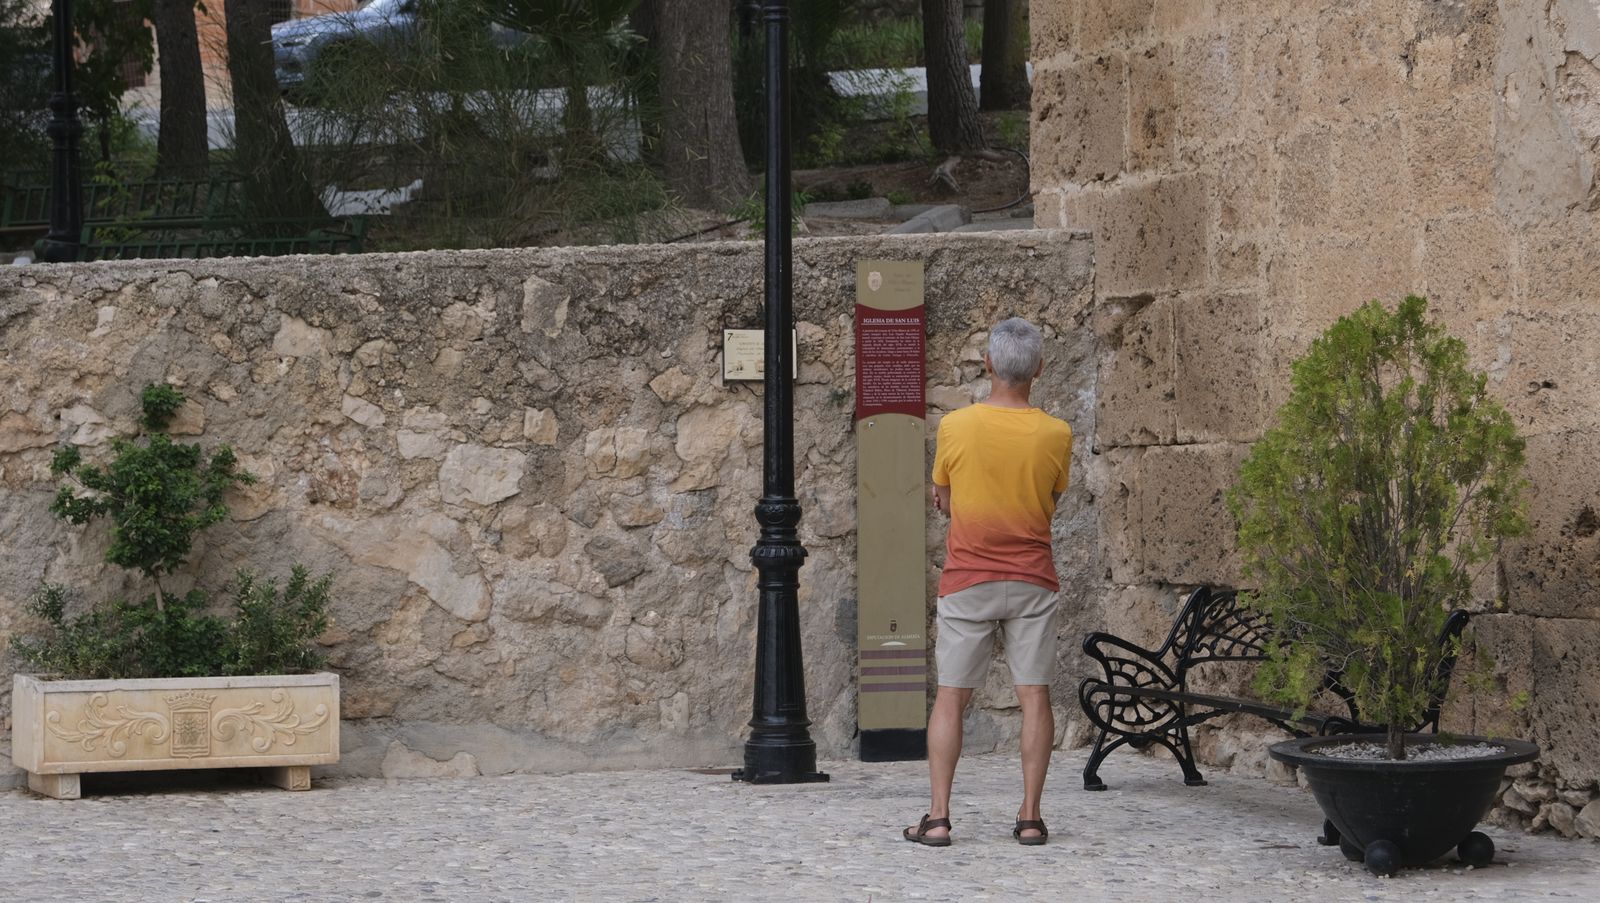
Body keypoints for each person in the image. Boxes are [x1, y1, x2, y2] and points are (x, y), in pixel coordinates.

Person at [902, 317, 1073, 847]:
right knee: (1034, 697)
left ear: (988, 365)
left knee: (951, 697)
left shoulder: (956, 426)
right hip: (1031, 579)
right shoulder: (1057, 433)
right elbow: (1051, 501)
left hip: (968, 577)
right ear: (1040, 369)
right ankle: (1029, 817)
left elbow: (945, 497)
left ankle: (937, 818)